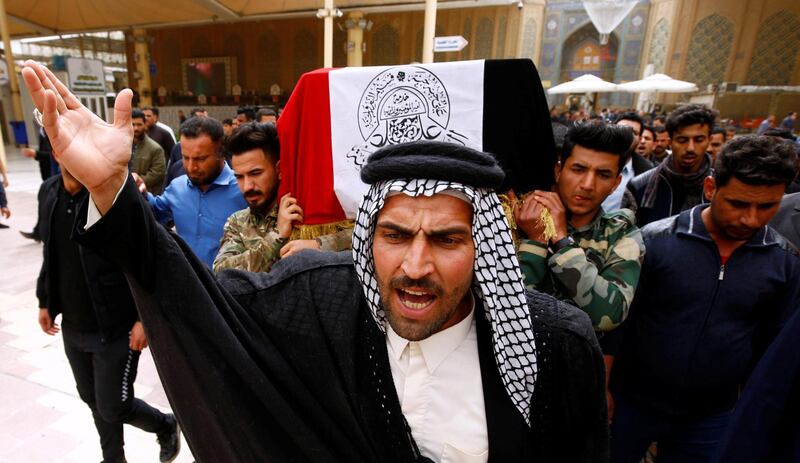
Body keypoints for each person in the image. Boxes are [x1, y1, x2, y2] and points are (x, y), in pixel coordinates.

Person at [22, 61, 608, 462]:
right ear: (367, 233)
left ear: (484, 243)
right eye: (396, 235)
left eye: (448, 240)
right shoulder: (320, 298)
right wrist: (113, 194)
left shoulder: (556, 345)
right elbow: (198, 301)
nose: (415, 265)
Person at [609, 135, 800, 463]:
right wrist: (605, 389)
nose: (750, 219)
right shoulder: (655, 242)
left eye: (766, 207)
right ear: (711, 189)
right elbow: (616, 324)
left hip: (711, 418)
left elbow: (773, 350)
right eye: (739, 204)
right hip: (631, 404)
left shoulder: (784, 261)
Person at [34, 169, 180, 463]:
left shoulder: (113, 193)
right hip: (74, 327)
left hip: (116, 327)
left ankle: (165, 424)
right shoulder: (49, 192)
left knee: (114, 405)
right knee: (93, 399)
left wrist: (144, 318)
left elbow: (146, 257)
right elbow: (51, 251)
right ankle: (114, 459)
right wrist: (45, 300)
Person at [515, 122, 643, 333]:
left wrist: (562, 242)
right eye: (578, 169)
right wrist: (536, 241)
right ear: (559, 170)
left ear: (615, 183)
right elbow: (508, 306)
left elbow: (611, 314)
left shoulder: (620, 233)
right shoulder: (523, 216)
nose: (587, 184)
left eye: (603, 174)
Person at [213, 122, 352, 273]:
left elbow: (362, 236)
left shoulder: (306, 212)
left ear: (279, 169)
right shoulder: (238, 222)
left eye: (255, 173)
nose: (247, 186)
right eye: (239, 177)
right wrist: (277, 236)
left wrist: (317, 244)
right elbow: (222, 272)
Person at [140, 116, 247, 267]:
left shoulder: (244, 190)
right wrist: (138, 189)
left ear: (221, 152)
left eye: (201, 159)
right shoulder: (177, 187)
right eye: (185, 158)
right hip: (187, 285)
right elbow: (154, 212)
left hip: (229, 286)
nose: (191, 167)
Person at [623, 104, 717, 227]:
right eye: (682, 140)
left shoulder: (719, 187)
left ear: (709, 141)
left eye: (699, 140)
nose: (690, 148)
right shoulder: (640, 186)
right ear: (670, 141)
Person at [601, 113, 652, 212]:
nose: (627, 135)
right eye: (622, 129)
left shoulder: (646, 174)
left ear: (640, 139)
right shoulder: (590, 158)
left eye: (634, 132)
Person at [130, 109, 166, 195]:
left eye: (139, 124)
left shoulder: (155, 148)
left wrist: (135, 182)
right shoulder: (121, 146)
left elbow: (157, 173)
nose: (136, 128)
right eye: (133, 124)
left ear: (145, 124)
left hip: (147, 195)